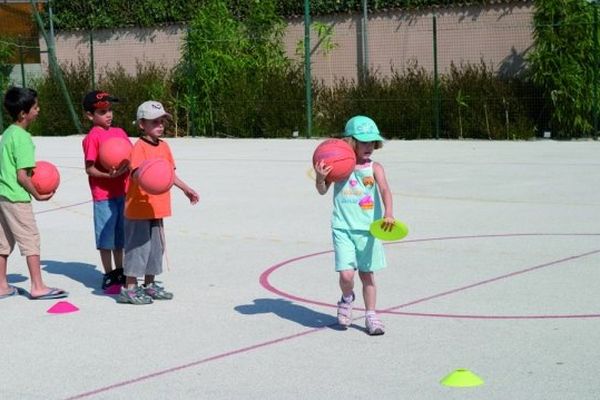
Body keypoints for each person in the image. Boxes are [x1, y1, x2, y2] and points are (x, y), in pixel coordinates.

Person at [314, 115, 395, 335]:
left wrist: (388, 214)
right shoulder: (338, 166)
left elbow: (385, 190)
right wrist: (321, 178)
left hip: (368, 230)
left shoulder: (375, 168)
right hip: (342, 228)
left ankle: (371, 315)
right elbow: (322, 191)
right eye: (363, 141)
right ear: (351, 142)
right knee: (346, 275)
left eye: (372, 142)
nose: (369, 146)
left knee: (367, 275)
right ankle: (347, 299)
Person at [118, 100, 199, 305]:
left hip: (157, 207)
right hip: (138, 208)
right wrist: (149, 180)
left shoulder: (164, 146)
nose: (160, 125)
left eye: (162, 121)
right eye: (155, 122)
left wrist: (186, 188)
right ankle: (129, 288)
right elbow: (136, 173)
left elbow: (169, 174)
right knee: (138, 248)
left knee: (155, 248)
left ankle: (149, 284)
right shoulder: (139, 147)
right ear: (142, 124)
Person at [0, 87, 68, 300]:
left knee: (3, 242)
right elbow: (22, 175)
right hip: (17, 198)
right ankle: (38, 286)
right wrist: (38, 194)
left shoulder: (8, 133)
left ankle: (1, 285)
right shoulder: (23, 138)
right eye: (35, 107)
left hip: (3, 196)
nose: (38, 110)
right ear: (23, 113)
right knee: (30, 240)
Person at [82, 90, 130, 290]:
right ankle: (109, 272)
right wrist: (107, 176)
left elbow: (130, 155)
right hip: (103, 196)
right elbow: (89, 168)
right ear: (90, 116)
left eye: (110, 110)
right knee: (105, 235)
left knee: (121, 235)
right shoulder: (93, 137)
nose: (109, 115)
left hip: (123, 193)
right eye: (102, 112)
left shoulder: (120, 133)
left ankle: (121, 270)